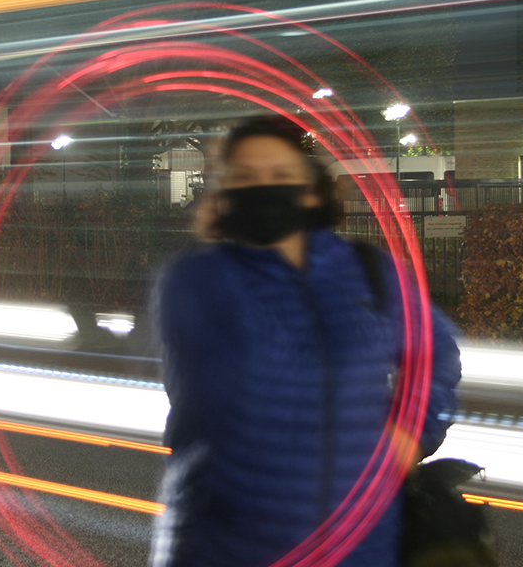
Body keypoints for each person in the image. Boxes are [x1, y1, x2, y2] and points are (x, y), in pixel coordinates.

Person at [150, 116, 462, 567]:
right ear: (223, 196)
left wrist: (412, 432)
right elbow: (218, 398)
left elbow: (438, 354)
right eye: (245, 178)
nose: (263, 189)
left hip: (362, 543)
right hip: (227, 544)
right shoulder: (195, 281)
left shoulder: (371, 272)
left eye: (280, 176)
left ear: (312, 190)